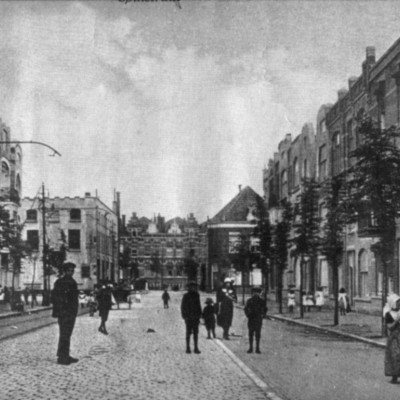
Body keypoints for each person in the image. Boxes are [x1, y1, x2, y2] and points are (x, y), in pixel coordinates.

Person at [51, 262, 79, 366]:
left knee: (67, 334)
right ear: (65, 271)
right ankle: (62, 358)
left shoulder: (73, 282)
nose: (71, 272)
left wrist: (74, 311)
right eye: (69, 271)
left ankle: (65, 355)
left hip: (71, 313)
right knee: (64, 334)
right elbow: (54, 297)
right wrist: (60, 311)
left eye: (72, 271)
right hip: (64, 313)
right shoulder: (60, 282)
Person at [181, 281, 202, 354]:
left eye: (194, 287)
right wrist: (184, 316)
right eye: (191, 287)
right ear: (188, 288)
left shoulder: (197, 295)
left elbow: (199, 305)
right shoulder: (186, 296)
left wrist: (200, 315)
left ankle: (196, 348)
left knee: (196, 333)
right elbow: (183, 306)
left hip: (196, 317)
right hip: (189, 317)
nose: (193, 288)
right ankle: (188, 347)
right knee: (188, 333)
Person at [384, 294, 400, 383]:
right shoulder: (388, 314)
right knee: (394, 356)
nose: (399, 304)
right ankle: (394, 376)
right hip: (394, 338)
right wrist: (397, 320)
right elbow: (390, 327)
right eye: (397, 302)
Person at [245, 286, 266, 354]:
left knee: (258, 334)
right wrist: (248, 315)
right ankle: (250, 348)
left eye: (257, 292)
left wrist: (263, 315)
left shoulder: (262, 301)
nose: (256, 294)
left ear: (259, 293)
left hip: (258, 319)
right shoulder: (249, 301)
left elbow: (265, 309)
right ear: (252, 293)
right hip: (251, 319)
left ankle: (257, 348)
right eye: (254, 292)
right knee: (250, 334)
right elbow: (245, 309)